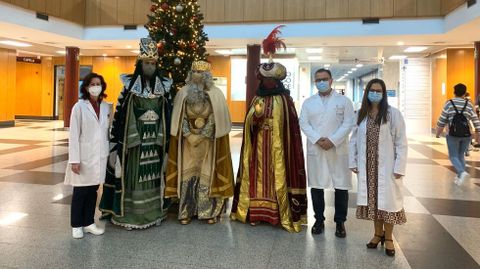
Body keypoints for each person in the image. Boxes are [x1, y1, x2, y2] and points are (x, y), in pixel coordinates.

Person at [231, 26, 308, 232]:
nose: (268, 83)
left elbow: (290, 128)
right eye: (265, 80)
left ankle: (277, 215)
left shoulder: (285, 100)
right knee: (256, 179)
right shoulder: (256, 97)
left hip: (278, 149)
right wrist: (254, 119)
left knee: (277, 178)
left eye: (271, 80)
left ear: (277, 81)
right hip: (258, 148)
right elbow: (248, 124)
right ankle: (254, 213)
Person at [99, 37, 173, 229]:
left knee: (153, 176)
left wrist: (164, 140)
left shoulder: (164, 87)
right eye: (147, 62)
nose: (150, 66)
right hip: (134, 141)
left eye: (153, 63)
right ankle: (131, 214)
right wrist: (121, 140)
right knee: (133, 176)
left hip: (156, 140)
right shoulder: (129, 87)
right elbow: (120, 115)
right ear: (140, 63)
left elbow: (168, 114)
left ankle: (153, 212)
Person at [165, 60, 234, 225]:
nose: (198, 75)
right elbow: (179, 117)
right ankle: (186, 211)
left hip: (208, 143)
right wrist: (189, 135)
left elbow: (216, 118)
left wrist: (203, 135)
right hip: (187, 144)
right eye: (195, 72)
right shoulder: (183, 93)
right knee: (188, 173)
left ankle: (208, 211)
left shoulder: (216, 94)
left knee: (207, 174)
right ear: (190, 74)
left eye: (202, 73)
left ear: (207, 76)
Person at [349, 78, 408, 257]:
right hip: (367, 167)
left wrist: (399, 166)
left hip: (387, 167)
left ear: (383, 94)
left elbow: (401, 142)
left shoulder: (393, 114)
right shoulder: (361, 114)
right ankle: (377, 234)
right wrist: (353, 161)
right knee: (373, 202)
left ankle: (388, 237)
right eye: (372, 90)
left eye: (378, 90)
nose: (375, 93)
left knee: (388, 203)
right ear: (367, 92)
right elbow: (353, 140)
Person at [299, 68, 355, 238]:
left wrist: (332, 140)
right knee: (317, 185)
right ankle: (319, 220)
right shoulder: (308, 102)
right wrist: (317, 139)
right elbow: (304, 123)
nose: (321, 82)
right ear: (315, 82)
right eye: (318, 80)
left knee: (341, 186)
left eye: (324, 79)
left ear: (331, 80)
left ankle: (340, 222)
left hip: (338, 148)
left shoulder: (344, 101)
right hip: (316, 148)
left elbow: (348, 123)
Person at [64, 73, 111, 239]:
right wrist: (74, 160)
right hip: (83, 156)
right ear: (86, 87)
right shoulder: (79, 107)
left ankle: (89, 223)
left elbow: (106, 132)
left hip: (99, 156)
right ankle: (76, 225)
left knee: (93, 190)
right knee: (80, 192)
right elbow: (74, 135)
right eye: (92, 84)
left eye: (98, 84)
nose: (96, 87)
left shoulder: (106, 107)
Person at [436, 83, 480, 185]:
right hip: (466, 135)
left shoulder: (449, 103)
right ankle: (460, 178)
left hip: (453, 135)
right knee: (461, 155)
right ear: (465, 92)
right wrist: (478, 132)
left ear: (454, 92)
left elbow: (442, 120)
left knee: (453, 156)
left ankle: (461, 172)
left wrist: (438, 133)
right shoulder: (469, 104)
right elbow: (475, 120)